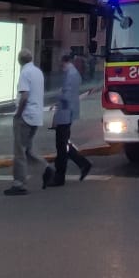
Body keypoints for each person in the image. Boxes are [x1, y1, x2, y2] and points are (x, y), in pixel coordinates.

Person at [44, 52, 92, 187]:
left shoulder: (70, 74)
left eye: (60, 62)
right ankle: (83, 164)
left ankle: (60, 177)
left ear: (64, 61)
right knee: (63, 144)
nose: (59, 65)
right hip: (68, 113)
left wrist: (57, 115)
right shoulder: (74, 73)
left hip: (65, 114)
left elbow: (65, 97)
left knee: (61, 146)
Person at [4, 50, 44, 196]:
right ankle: (47, 170)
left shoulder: (25, 73)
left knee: (19, 151)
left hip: (25, 117)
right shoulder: (38, 72)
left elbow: (25, 96)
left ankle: (19, 183)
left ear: (20, 61)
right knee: (28, 150)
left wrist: (18, 114)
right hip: (37, 116)